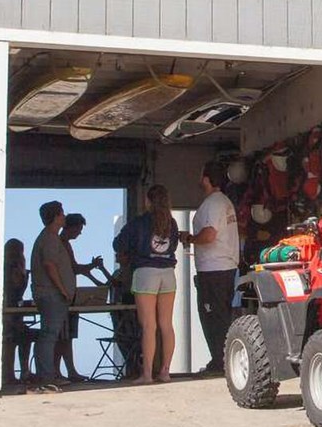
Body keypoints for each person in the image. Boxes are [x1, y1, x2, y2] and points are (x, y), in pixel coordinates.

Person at [114, 185, 180, 383]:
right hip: (168, 273)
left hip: (145, 273)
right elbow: (174, 245)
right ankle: (165, 372)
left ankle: (147, 374)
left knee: (148, 326)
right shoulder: (172, 223)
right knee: (166, 325)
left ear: (149, 201)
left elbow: (118, 244)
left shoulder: (139, 222)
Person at [182, 161, 241, 376]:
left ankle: (220, 361)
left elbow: (209, 235)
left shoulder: (213, 204)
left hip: (214, 269)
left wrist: (189, 238)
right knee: (222, 315)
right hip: (225, 267)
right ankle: (224, 359)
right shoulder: (224, 202)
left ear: (207, 179)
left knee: (212, 316)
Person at [29, 200, 74, 392]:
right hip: (51, 294)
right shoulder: (49, 238)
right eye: (62, 213)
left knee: (50, 334)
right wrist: (62, 289)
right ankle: (46, 377)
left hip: (50, 294)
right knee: (49, 335)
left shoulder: (50, 237)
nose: (64, 217)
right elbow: (49, 264)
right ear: (55, 216)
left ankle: (48, 375)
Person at [57, 212, 107, 383]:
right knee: (62, 336)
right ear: (70, 227)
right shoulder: (60, 244)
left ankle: (69, 371)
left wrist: (94, 273)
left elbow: (76, 268)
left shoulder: (64, 244)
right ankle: (61, 371)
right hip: (63, 296)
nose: (79, 233)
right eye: (78, 229)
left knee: (66, 335)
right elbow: (75, 269)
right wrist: (94, 272)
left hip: (68, 294)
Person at [1, 238, 32, 388]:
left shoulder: (7, 267)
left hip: (13, 311)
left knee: (21, 336)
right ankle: (19, 372)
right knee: (17, 338)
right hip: (10, 313)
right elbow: (16, 286)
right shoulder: (11, 268)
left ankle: (13, 373)